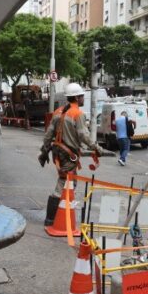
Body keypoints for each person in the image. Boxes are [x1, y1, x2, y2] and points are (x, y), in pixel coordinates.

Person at [38, 83, 102, 227]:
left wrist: (44, 151)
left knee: (67, 181)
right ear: (77, 97)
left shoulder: (58, 111)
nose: (83, 98)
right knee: (65, 183)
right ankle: (53, 219)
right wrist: (97, 148)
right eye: (82, 96)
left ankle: (57, 216)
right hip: (68, 154)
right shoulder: (78, 114)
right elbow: (83, 135)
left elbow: (49, 134)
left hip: (58, 151)